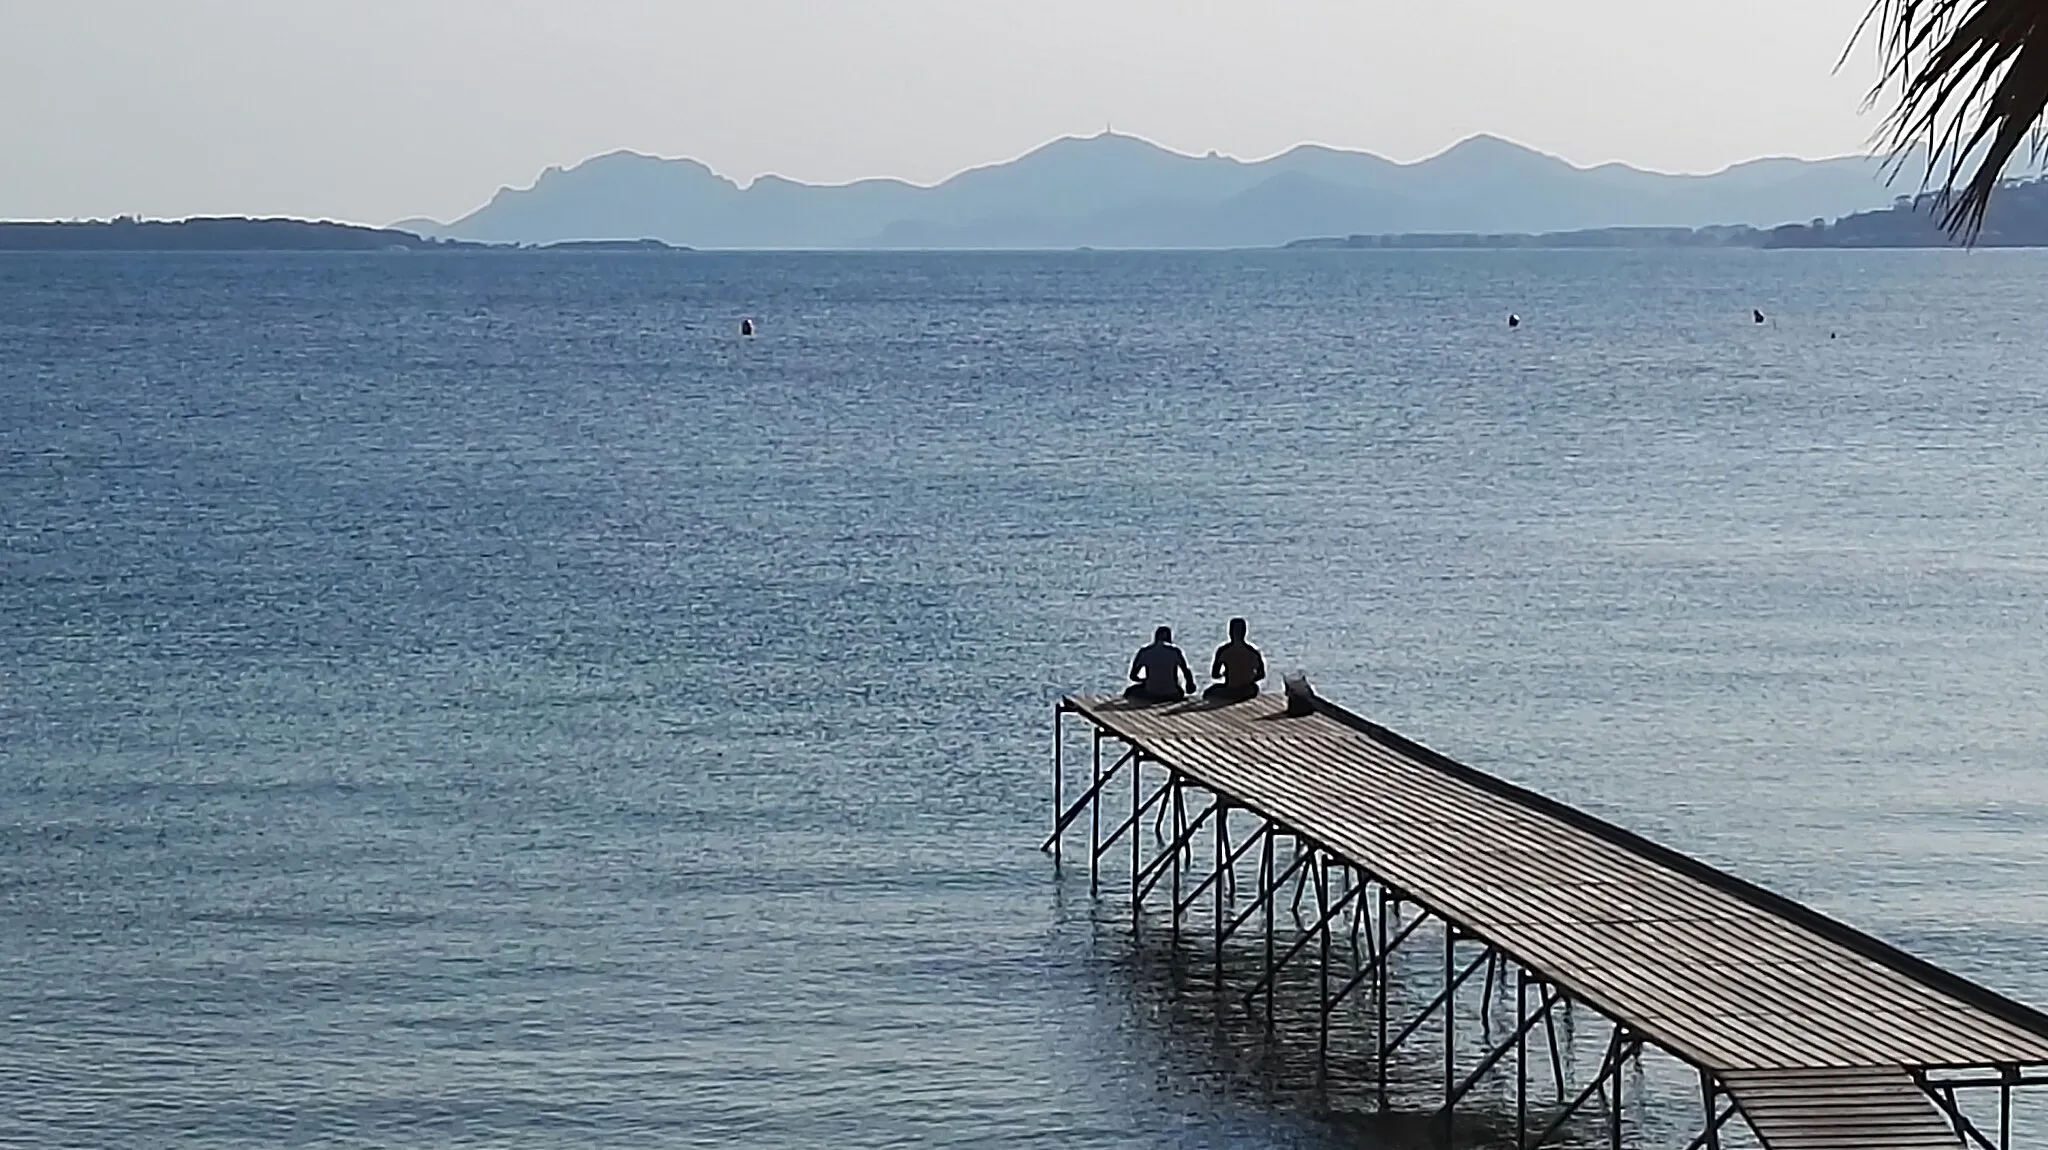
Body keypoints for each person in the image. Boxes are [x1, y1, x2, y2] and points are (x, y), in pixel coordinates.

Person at [1125, 625, 1194, 703]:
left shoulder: (1145, 652)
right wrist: (1190, 686)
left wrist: (1145, 680)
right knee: (1179, 690)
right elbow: (1186, 671)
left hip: (1151, 692)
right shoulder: (1175, 651)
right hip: (1172, 693)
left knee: (1129, 692)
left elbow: (1133, 676)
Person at [1204, 617, 1266, 703]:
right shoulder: (1253, 652)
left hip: (1230, 689)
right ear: (1245, 632)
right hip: (1248, 690)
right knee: (1254, 688)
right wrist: (1249, 678)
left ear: (1230, 632)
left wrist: (1224, 674)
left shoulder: (1223, 650)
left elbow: (1215, 675)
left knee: (1208, 692)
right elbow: (1261, 675)